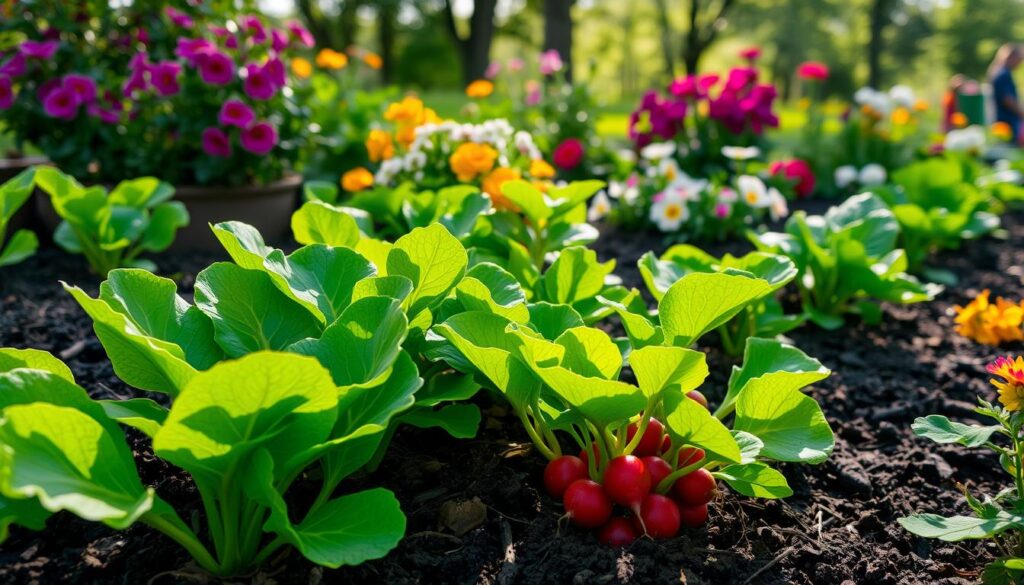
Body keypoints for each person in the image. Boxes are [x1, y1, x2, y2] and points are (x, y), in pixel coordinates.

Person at [988, 43, 1024, 142]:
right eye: (1019, 60)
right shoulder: (1003, 74)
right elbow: (1007, 99)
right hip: (1006, 121)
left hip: (1000, 120)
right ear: (1011, 57)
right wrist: (1021, 113)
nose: (1020, 64)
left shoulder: (997, 71)